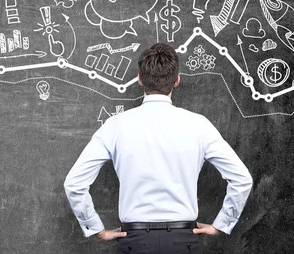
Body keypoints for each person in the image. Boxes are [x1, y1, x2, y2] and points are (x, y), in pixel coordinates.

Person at [64, 43, 253, 253]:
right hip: (185, 242)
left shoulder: (115, 126)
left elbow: (74, 184)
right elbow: (242, 179)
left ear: (140, 79)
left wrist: (95, 228)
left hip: (134, 242)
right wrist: (222, 224)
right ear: (177, 80)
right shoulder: (199, 125)